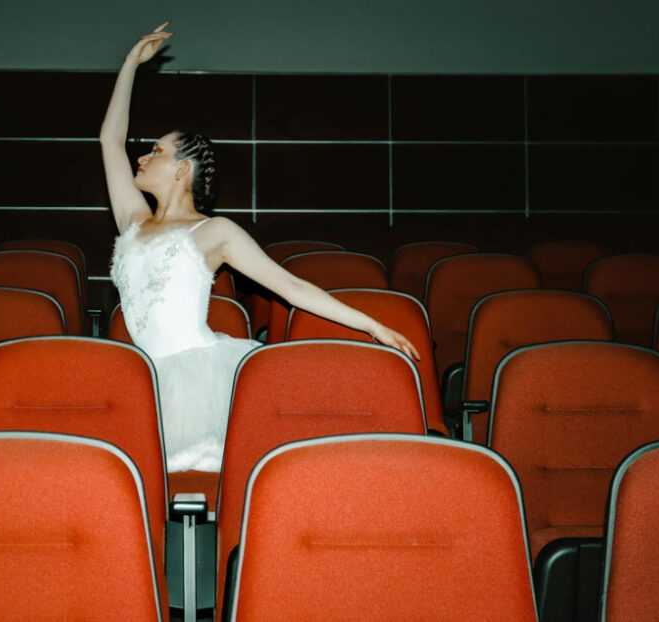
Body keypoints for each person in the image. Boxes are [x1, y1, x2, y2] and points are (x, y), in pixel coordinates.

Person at [101, 21, 421, 473]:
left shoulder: (214, 233)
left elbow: (291, 287)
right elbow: (109, 141)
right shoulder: (132, 221)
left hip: (196, 383)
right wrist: (130, 64)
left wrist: (372, 326)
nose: (142, 156)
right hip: (141, 379)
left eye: (156, 151)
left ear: (182, 170)